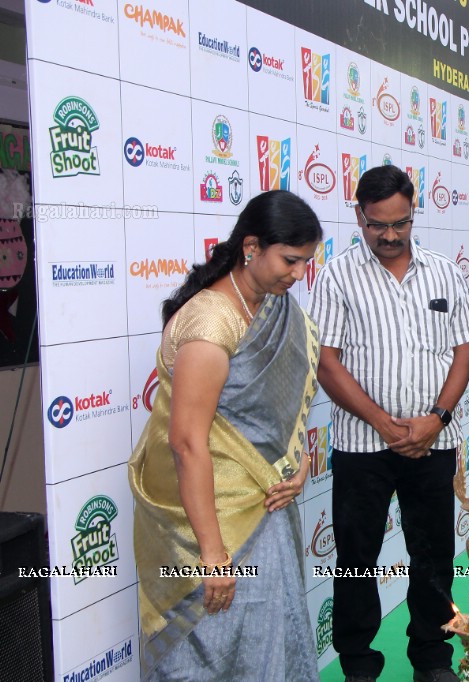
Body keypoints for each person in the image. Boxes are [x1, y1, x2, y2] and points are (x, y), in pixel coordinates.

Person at [129, 190, 323, 679]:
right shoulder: (211, 321)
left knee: (266, 641)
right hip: (212, 525)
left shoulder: (271, 308)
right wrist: (213, 555)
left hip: (265, 508)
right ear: (252, 246)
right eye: (291, 260)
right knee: (209, 651)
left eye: (306, 262)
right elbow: (187, 442)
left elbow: (275, 413)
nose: (299, 274)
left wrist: (297, 462)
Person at [308, 165, 469, 682]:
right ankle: (359, 664)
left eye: (399, 223)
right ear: (359, 215)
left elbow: (464, 353)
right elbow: (326, 360)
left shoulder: (444, 272)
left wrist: (436, 418)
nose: (388, 235)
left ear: (413, 213)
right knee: (357, 558)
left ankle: (432, 659)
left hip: (434, 441)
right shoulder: (337, 274)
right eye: (377, 224)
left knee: (434, 554)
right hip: (363, 446)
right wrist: (384, 424)